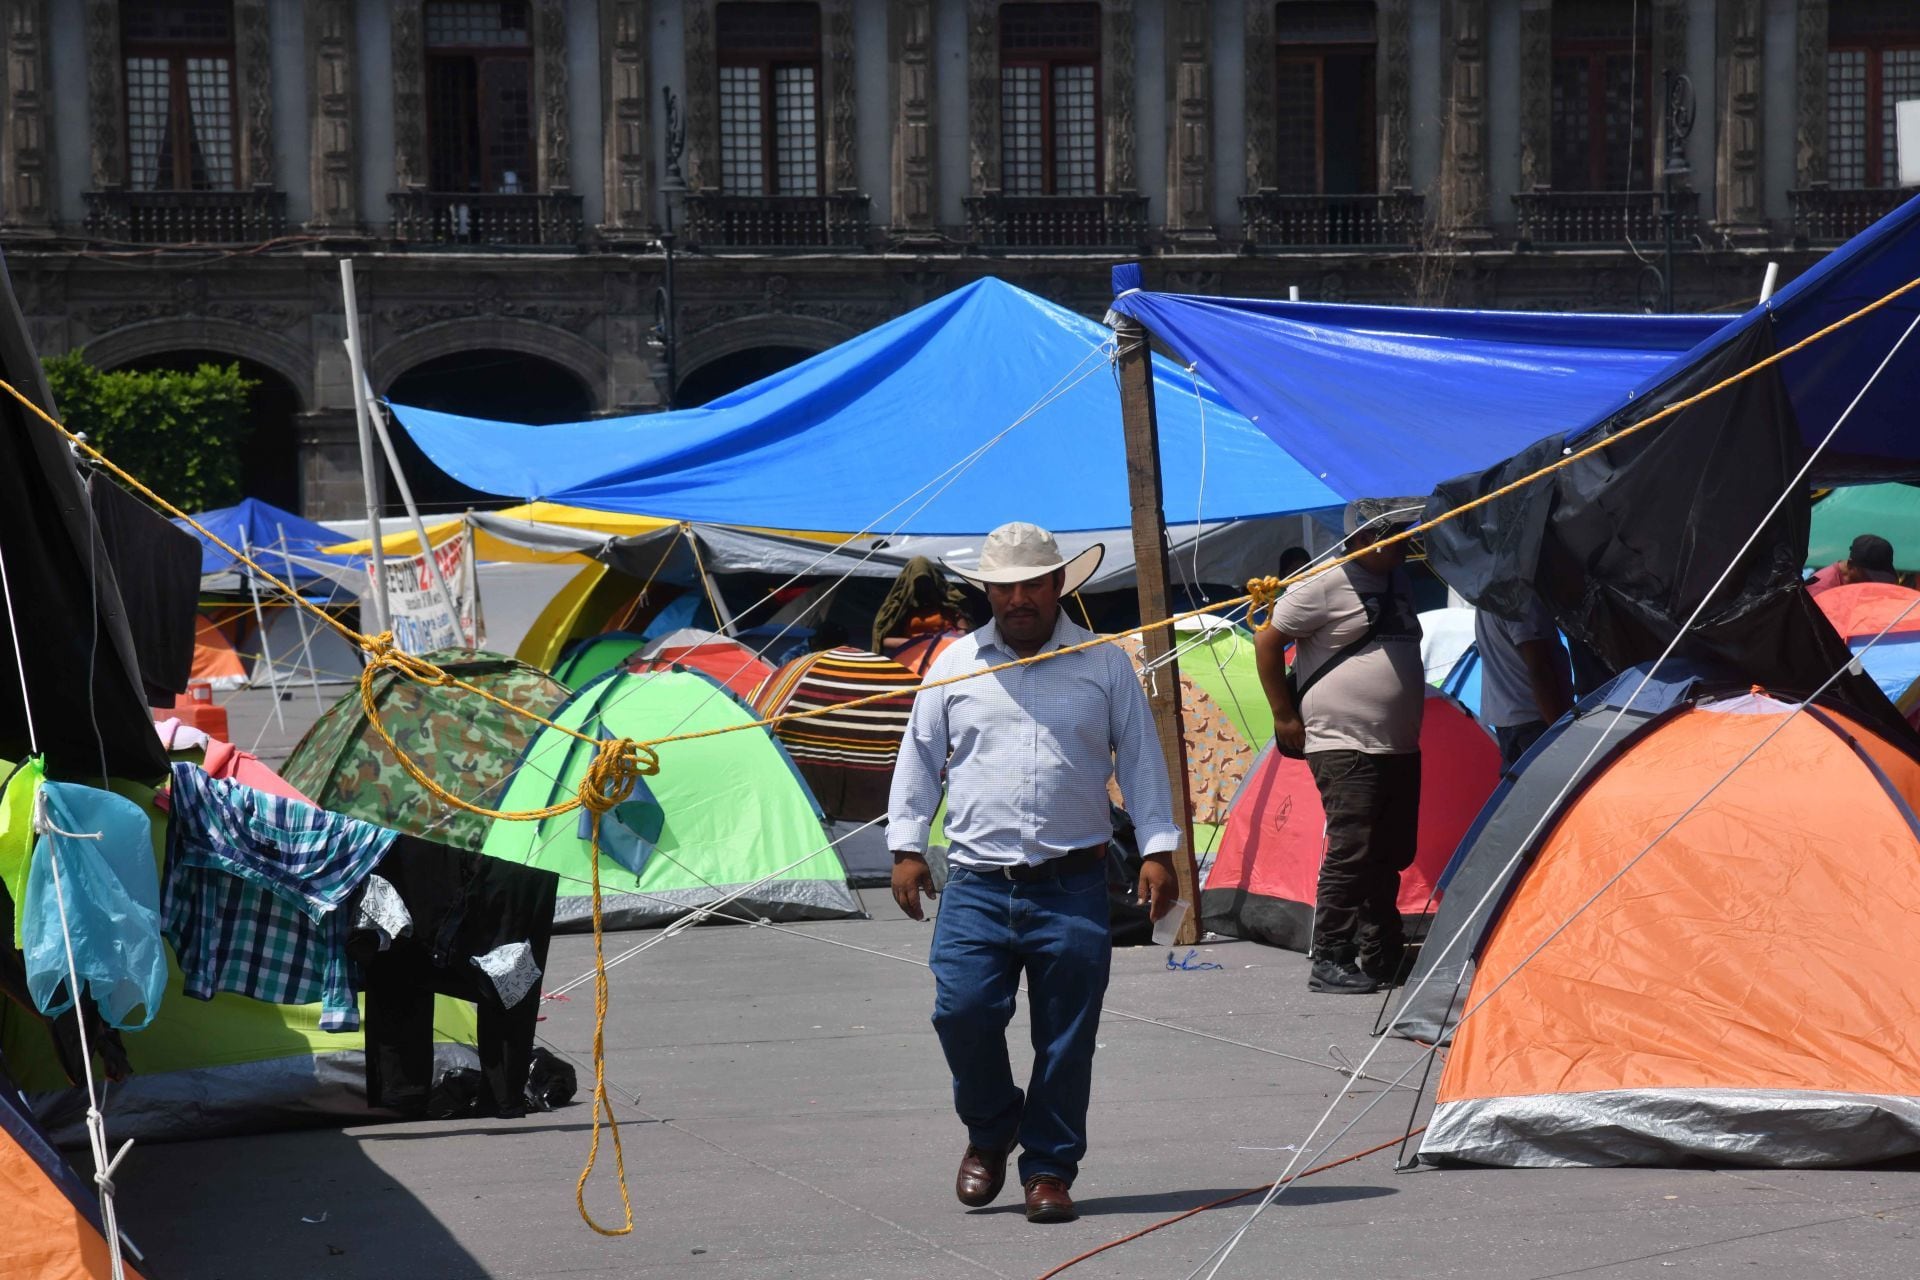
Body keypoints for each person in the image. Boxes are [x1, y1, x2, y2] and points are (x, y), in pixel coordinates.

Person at [887, 521, 1179, 1225]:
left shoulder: (1103, 663)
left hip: (1073, 883)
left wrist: (1158, 850)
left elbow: (1140, 760)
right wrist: (905, 848)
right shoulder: (955, 664)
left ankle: (1048, 1167)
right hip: (978, 885)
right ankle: (990, 1129)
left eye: (1032, 585)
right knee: (960, 1012)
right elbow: (920, 758)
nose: (1018, 598)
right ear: (987, 591)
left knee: (1067, 1036)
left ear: (1057, 587)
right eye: (1004, 586)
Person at [1254, 498, 1425, 996]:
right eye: (1383, 534)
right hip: (1342, 742)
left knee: (1389, 851)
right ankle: (1330, 954)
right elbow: (1267, 642)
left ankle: (1382, 951)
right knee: (1353, 848)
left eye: (1400, 531)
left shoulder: (1399, 578)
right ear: (1355, 540)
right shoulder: (1324, 582)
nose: (1396, 541)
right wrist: (1284, 715)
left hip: (1397, 742)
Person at [1474, 596, 1574, 769]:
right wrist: (1562, 733)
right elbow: (1539, 668)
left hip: (1510, 721)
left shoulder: (1487, 593)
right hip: (1535, 721)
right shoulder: (1517, 596)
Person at [1808, 534, 1899, 596]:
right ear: (1851, 565)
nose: (1876, 583)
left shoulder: (1865, 584)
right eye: (1869, 576)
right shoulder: (1821, 590)